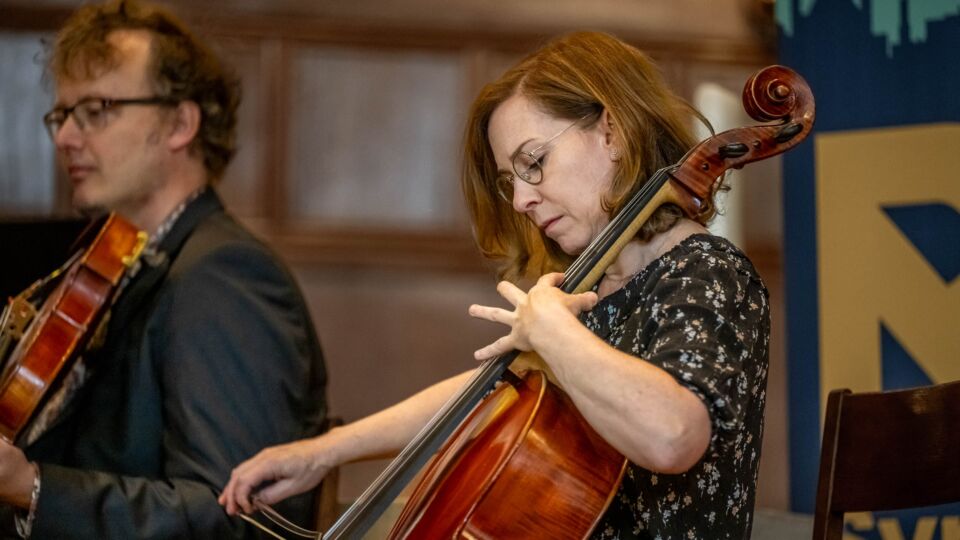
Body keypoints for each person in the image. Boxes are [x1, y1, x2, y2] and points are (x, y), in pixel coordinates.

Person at [220, 31, 769, 539]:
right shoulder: (596, 286)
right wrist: (322, 452)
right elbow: (492, 392)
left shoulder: (708, 271)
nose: (521, 200)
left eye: (534, 161)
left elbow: (673, 435)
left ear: (613, 132)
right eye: (511, 180)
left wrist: (553, 331)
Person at [0, 0, 328, 537]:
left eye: (97, 109)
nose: (65, 137)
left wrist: (33, 488)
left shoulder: (224, 275)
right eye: (62, 115)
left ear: (180, 123)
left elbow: (240, 518)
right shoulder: (122, 264)